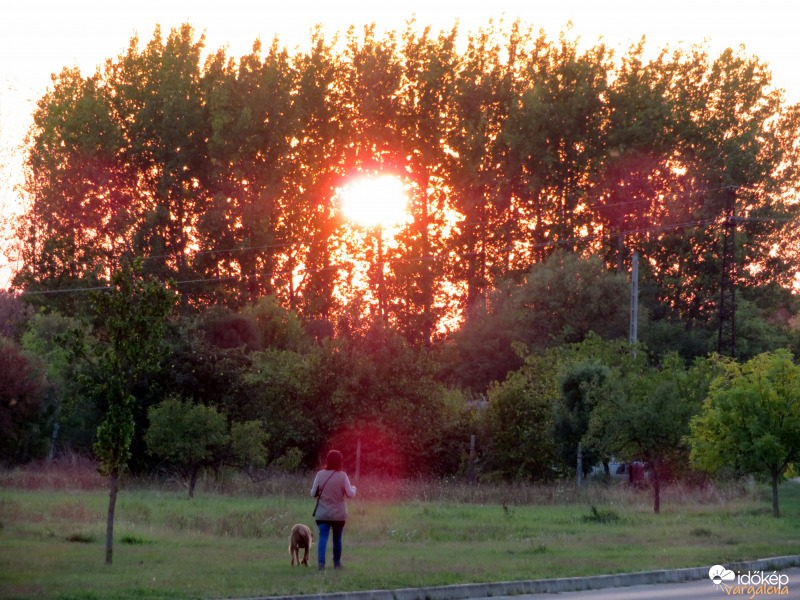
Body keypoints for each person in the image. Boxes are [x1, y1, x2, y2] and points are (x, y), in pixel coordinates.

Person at [310, 449, 357, 570]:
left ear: (327, 460)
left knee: (323, 537)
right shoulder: (343, 476)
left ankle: (321, 564)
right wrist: (354, 488)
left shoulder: (320, 474)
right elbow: (350, 494)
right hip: (338, 514)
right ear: (339, 461)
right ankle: (337, 563)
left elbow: (313, 493)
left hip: (323, 513)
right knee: (337, 539)